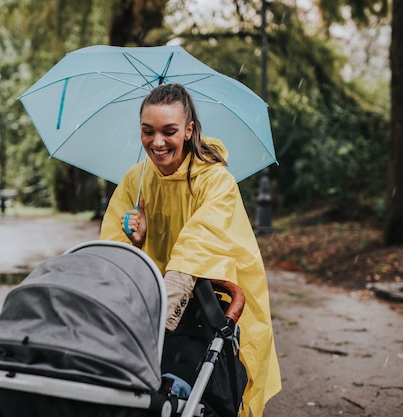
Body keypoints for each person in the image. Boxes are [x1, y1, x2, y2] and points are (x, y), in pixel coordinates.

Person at [99, 83, 280, 417]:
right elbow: (111, 248)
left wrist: (170, 294)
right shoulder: (135, 179)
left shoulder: (215, 180)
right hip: (148, 301)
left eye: (169, 131)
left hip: (210, 300)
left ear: (188, 130)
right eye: (147, 131)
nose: (156, 142)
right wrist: (134, 243)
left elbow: (202, 236)